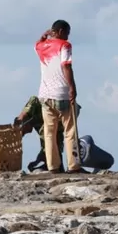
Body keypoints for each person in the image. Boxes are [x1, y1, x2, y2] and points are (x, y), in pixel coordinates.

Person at [35, 19, 85, 174]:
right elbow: (66, 66)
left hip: (45, 95)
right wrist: (72, 87)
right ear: (62, 31)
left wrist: (44, 35)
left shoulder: (41, 47)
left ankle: (53, 166)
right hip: (61, 93)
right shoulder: (65, 45)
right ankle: (73, 165)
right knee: (70, 131)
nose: (68, 36)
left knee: (49, 133)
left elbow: (38, 41)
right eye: (67, 33)